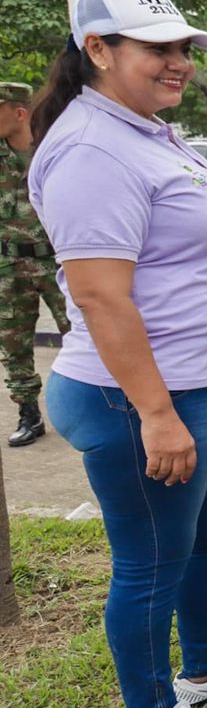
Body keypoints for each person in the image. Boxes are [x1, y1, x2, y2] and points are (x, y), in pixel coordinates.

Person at [30, 0, 207, 708]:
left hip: (196, 387)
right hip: (137, 397)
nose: (178, 61)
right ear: (98, 50)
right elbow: (101, 296)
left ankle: (205, 666)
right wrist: (155, 413)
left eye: (182, 47)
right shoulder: (90, 150)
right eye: (156, 48)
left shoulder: (143, 130)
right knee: (150, 562)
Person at [0, 81, 70, 446]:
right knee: (13, 343)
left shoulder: (55, 150)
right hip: (10, 265)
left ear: (19, 112)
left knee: (84, 333)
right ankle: (29, 413)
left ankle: (101, 405)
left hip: (58, 263)